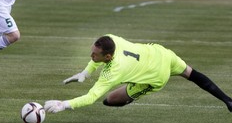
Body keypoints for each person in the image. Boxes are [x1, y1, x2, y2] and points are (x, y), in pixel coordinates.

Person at [44, 34, 232, 113]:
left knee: (109, 100)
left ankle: (134, 92)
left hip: (156, 76)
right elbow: (96, 57)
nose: (91, 55)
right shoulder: (110, 39)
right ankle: (228, 100)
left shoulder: (112, 72)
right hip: (162, 53)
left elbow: (91, 97)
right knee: (192, 74)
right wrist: (86, 71)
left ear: (108, 57)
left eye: (95, 55)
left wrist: (64, 104)